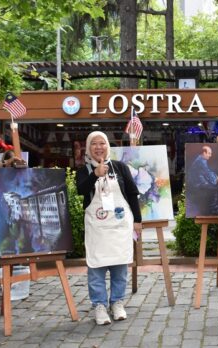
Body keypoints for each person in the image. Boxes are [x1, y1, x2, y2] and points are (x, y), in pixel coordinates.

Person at [76, 131, 142, 325]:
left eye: (102, 143)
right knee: (96, 268)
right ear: (89, 148)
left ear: (108, 146)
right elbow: (81, 190)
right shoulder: (84, 170)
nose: (99, 147)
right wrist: (95, 175)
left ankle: (117, 303)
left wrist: (137, 220)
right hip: (97, 228)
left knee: (119, 267)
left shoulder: (120, 167)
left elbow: (132, 193)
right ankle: (99, 306)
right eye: (94, 144)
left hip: (119, 226)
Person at [187, 145, 218, 215]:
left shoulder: (201, 160)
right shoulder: (200, 161)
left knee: (216, 185)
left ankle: (215, 208)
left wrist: (217, 178)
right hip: (196, 184)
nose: (210, 155)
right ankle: (214, 210)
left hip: (199, 182)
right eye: (209, 153)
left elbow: (208, 171)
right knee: (216, 188)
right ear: (204, 153)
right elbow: (207, 172)